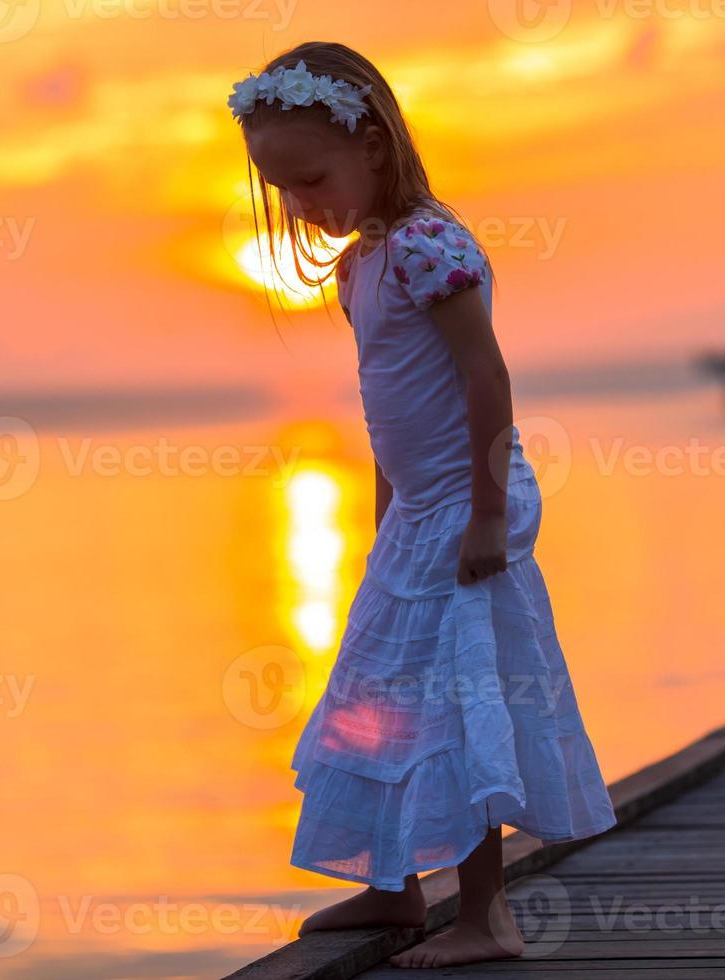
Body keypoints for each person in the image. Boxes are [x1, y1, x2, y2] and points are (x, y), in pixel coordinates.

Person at [228, 41, 618, 969]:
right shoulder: (360, 262)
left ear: (373, 143)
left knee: (454, 698)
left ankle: (487, 916)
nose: (301, 206)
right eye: (282, 190)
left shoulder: (427, 246)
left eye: (313, 179)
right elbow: (386, 407)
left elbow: (484, 377)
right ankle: (391, 887)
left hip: (466, 501)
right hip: (416, 509)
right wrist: (381, 512)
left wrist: (486, 513)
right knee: (379, 692)